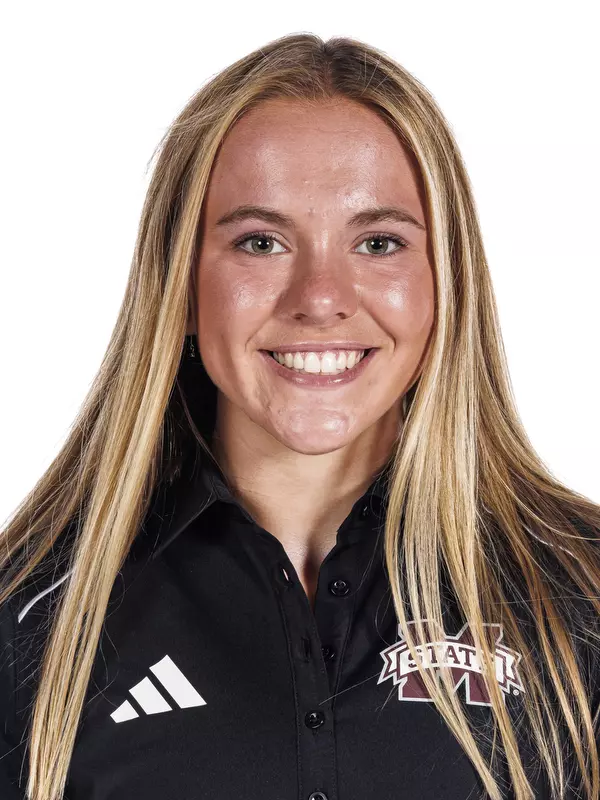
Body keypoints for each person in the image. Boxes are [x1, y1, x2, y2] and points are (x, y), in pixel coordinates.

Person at [1, 32, 599, 800]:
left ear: (445, 281)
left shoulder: (576, 596)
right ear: (180, 284)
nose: (320, 298)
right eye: (262, 241)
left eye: (378, 242)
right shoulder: (37, 619)